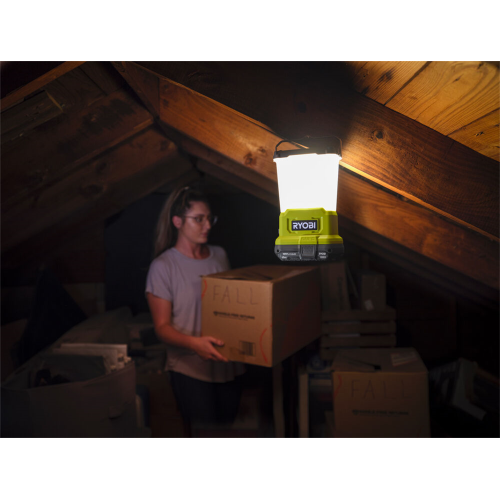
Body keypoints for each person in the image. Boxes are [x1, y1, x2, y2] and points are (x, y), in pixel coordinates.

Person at [145, 185, 245, 430]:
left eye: (209, 218)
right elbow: (162, 328)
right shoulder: (163, 266)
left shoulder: (219, 255)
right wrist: (195, 344)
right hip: (190, 370)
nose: (207, 225)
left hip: (227, 365)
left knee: (226, 434)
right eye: (199, 219)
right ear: (177, 221)